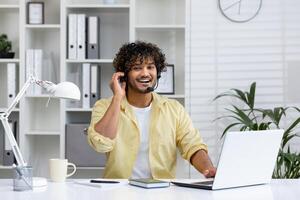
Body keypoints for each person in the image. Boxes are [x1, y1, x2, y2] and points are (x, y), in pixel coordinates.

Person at [87, 41, 216, 179]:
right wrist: (117, 97)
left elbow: (192, 145)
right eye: (137, 68)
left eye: (150, 67)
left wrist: (208, 169)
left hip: (161, 191)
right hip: (119, 191)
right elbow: (101, 144)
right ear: (124, 74)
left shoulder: (174, 109)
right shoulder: (104, 106)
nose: (145, 73)